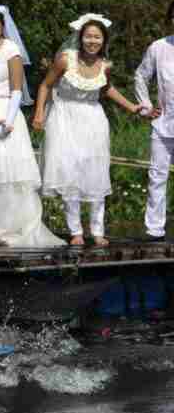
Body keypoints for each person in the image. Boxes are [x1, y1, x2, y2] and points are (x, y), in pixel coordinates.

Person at [32, 14, 143, 246]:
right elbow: (45, 85)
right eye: (88, 36)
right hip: (64, 118)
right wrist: (39, 113)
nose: (92, 41)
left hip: (93, 120)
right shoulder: (65, 59)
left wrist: (132, 107)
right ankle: (76, 231)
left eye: (97, 37)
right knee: (70, 173)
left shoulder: (105, 65)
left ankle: (98, 230)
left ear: (104, 40)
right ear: (80, 37)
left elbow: (107, 89)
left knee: (96, 172)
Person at [0, 4, 65, 247]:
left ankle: (10, 228)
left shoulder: (11, 50)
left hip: (6, 115)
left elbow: (16, 90)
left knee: (7, 173)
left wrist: (7, 121)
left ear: (2, 25)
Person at [134, 0, 173, 240]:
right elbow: (141, 75)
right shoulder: (158, 47)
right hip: (163, 124)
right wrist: (146, 107)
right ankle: (154, 230)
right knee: (157, 176)